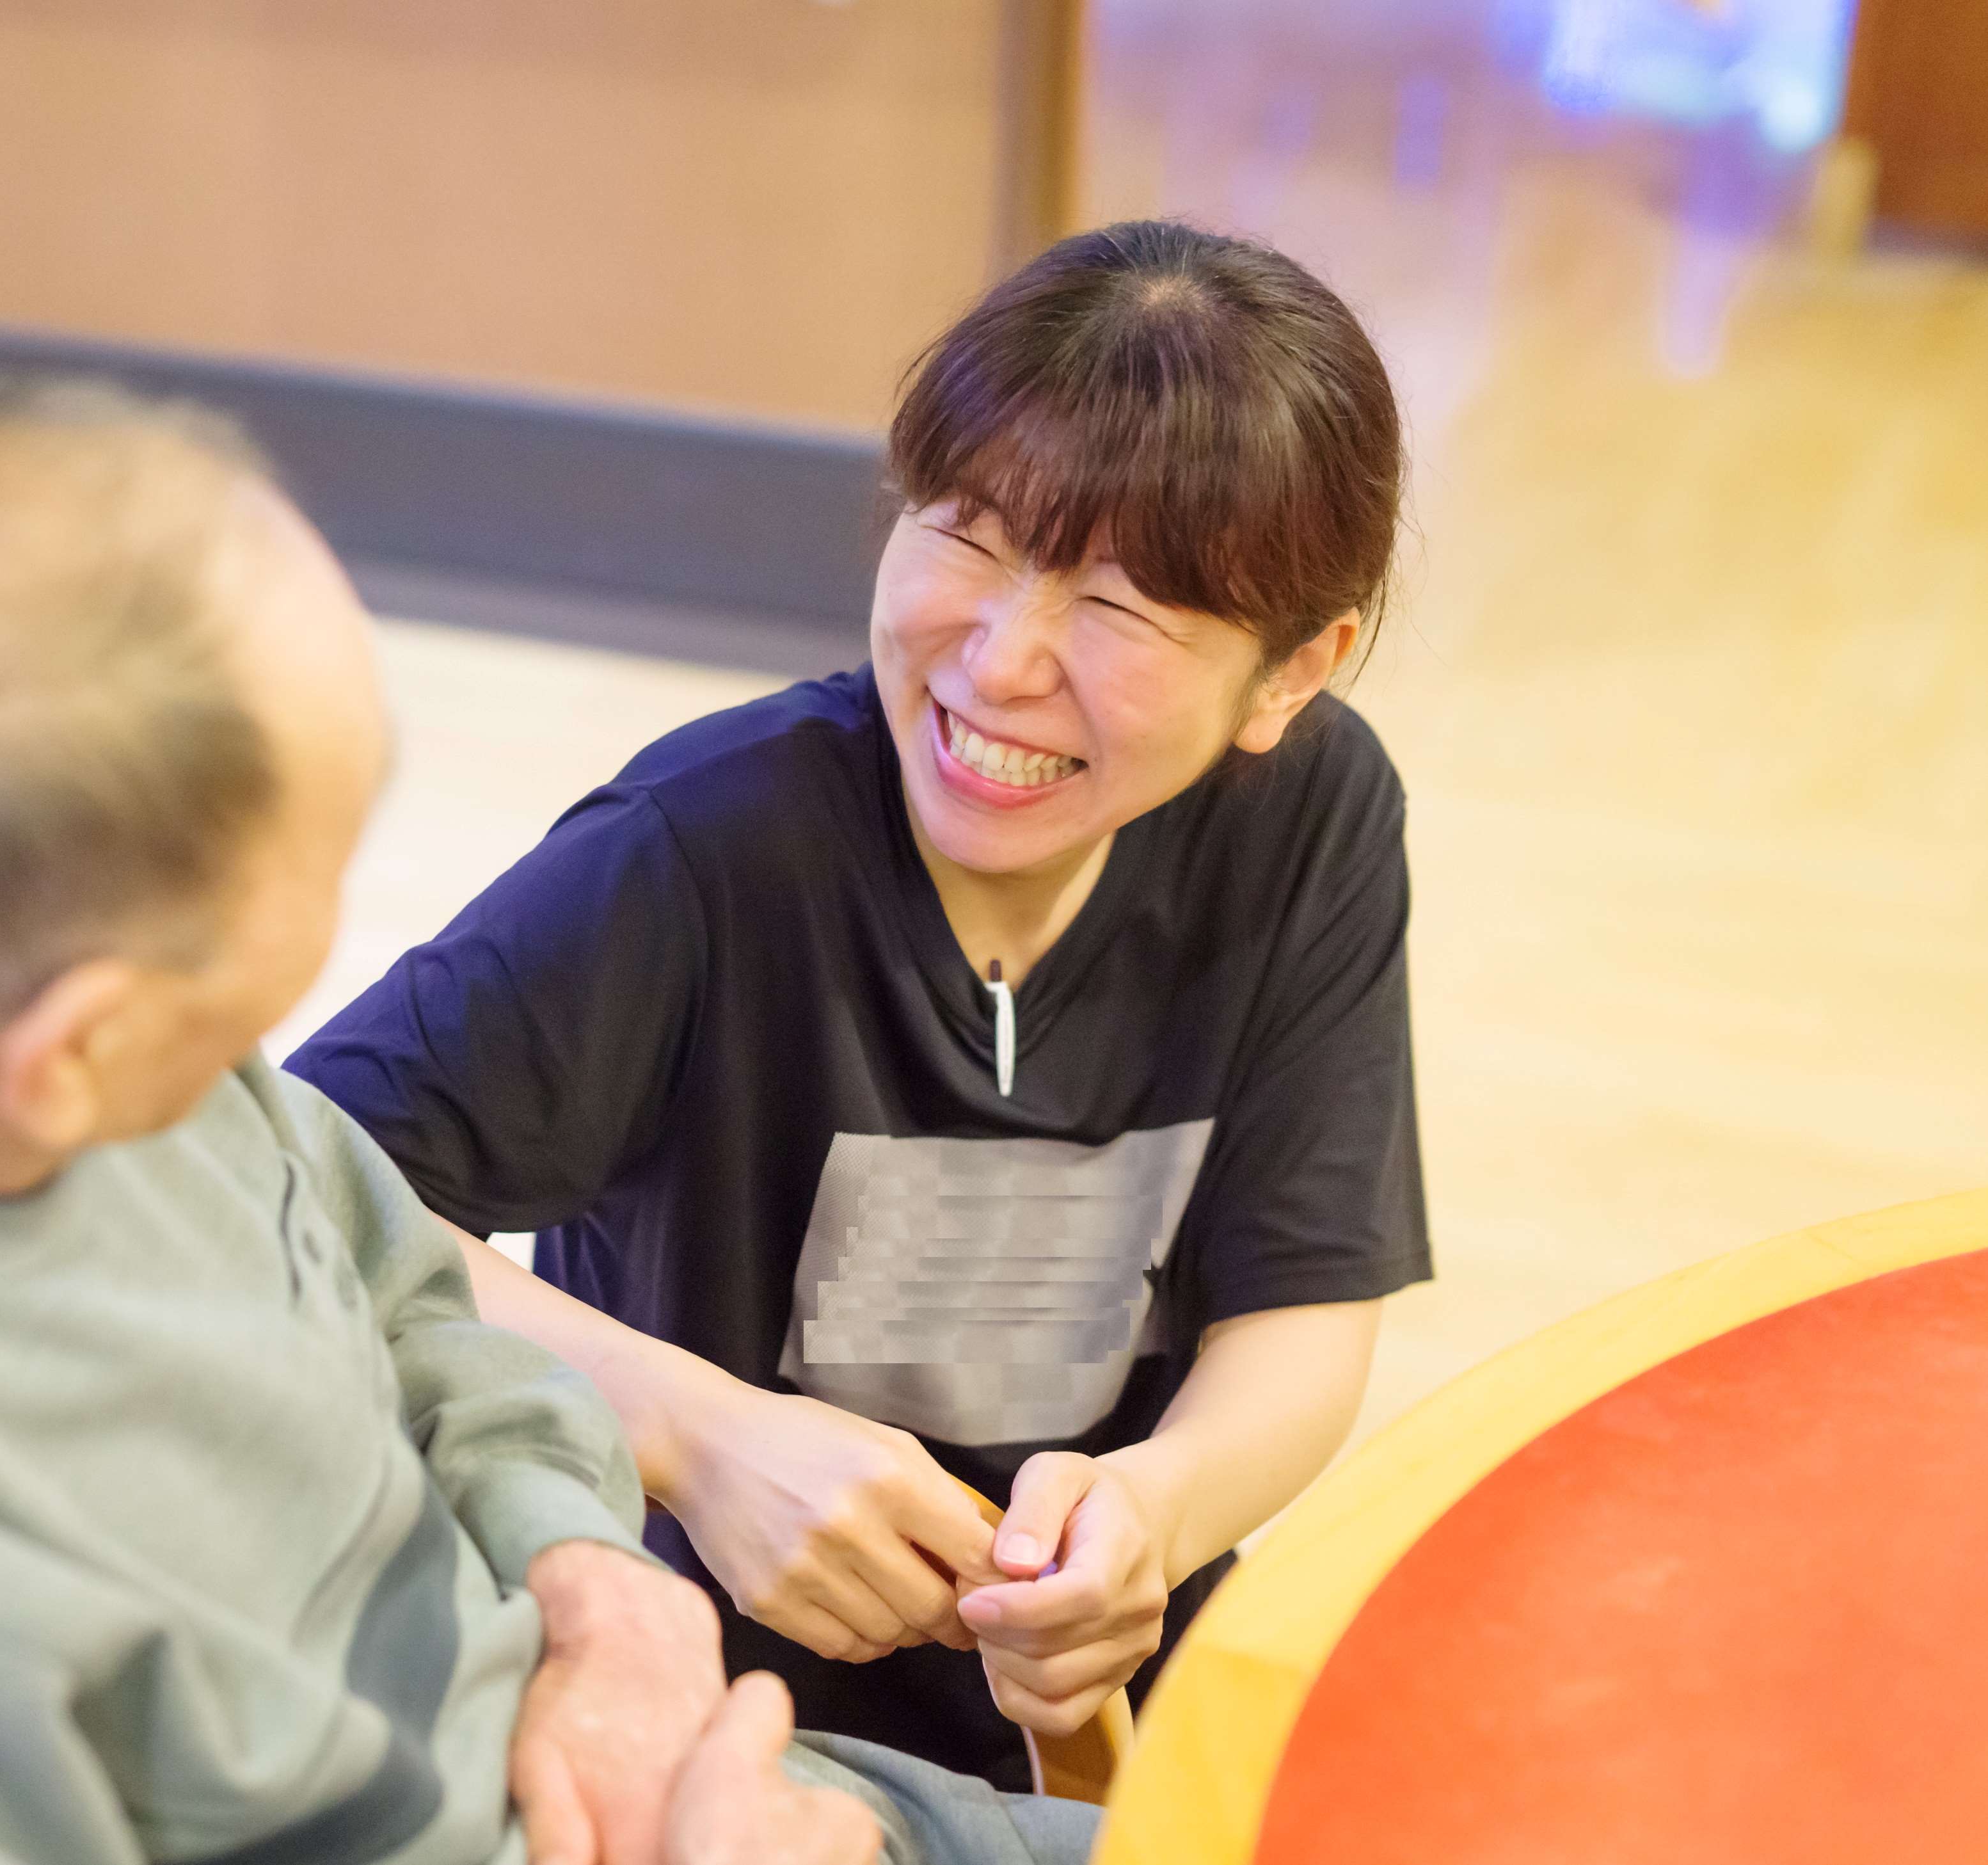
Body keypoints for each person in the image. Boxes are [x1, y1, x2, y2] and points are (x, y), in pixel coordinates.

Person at [0, 376, 1099, 1865]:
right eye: (293, 921)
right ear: (77, 1055)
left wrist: (583, 1564)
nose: (277, 1037)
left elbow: (382, 1265)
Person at [287, 220, 1433, 1788]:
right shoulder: (707, 845)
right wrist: (693, 1435)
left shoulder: (1312, 820)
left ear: (1298, 673)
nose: (1002, 660)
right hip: (693, 1709)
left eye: (1122, 608)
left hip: (1088, 1714)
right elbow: (278, 1189)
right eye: (967, 533)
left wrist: (1157, 1511)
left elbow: (1302, 1300)